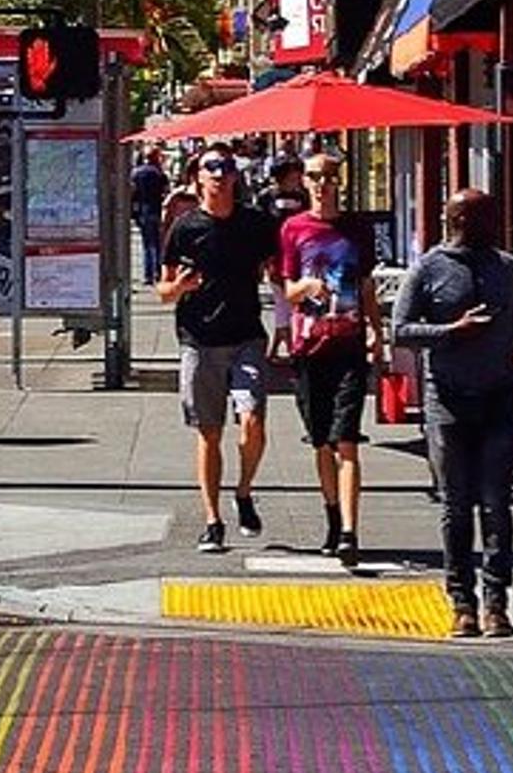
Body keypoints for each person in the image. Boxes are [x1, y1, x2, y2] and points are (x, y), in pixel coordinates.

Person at [392, 187, 513, 637]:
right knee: (455, 505)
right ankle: (461, 600)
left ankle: (496, 601)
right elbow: (403, 330)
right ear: (462, 221)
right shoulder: (429, 269)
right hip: (447, 399)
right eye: (488, 216)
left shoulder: (506, 268)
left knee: (496, 503)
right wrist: (454, 330)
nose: (497, 223)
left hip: (498, 397)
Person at [157, 141, 280, 553]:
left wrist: (287, 322)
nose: (219, 174)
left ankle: (244, 491)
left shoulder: (257, 224)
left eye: (226, 167)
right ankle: (213, 520)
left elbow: (278, 275)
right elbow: (163, 289)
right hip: (200, 339)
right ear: (198, 177)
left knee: (253, 423)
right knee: (209, 433)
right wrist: (181, 286)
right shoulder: (186, 227)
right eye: (211, 168)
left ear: (235, 175)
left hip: (247, 335)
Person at [279, 151, 383, 568]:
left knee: (347, 441)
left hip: (350, 345)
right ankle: (332, 515)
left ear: (340, 181)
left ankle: (349, 533)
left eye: (329, 176)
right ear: (304, 182)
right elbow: (286, 292)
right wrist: (304, 286)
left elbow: (367, 284)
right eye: (315, 177)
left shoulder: (358, 229)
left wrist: (377, 329)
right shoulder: (293, 229)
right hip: (310, 347)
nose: (322, 184)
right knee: (321, 440)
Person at [258, 154, 309, 359]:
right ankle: (287, 341)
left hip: (300, 252)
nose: (296, 178)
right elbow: (261, 226)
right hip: (275, 254)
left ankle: (284, 341)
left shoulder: (304, 197)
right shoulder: (267, 197)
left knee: (295, 299)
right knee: (282, 297)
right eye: (293, 174)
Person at [130, 147, 169, 285]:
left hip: (142, 210)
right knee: (158, 243)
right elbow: (165, 192)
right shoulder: (159, 174)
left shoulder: (136, 173)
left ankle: (148, 275)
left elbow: (133, 194)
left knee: (146, 244)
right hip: (156, 209)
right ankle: (158, 272)